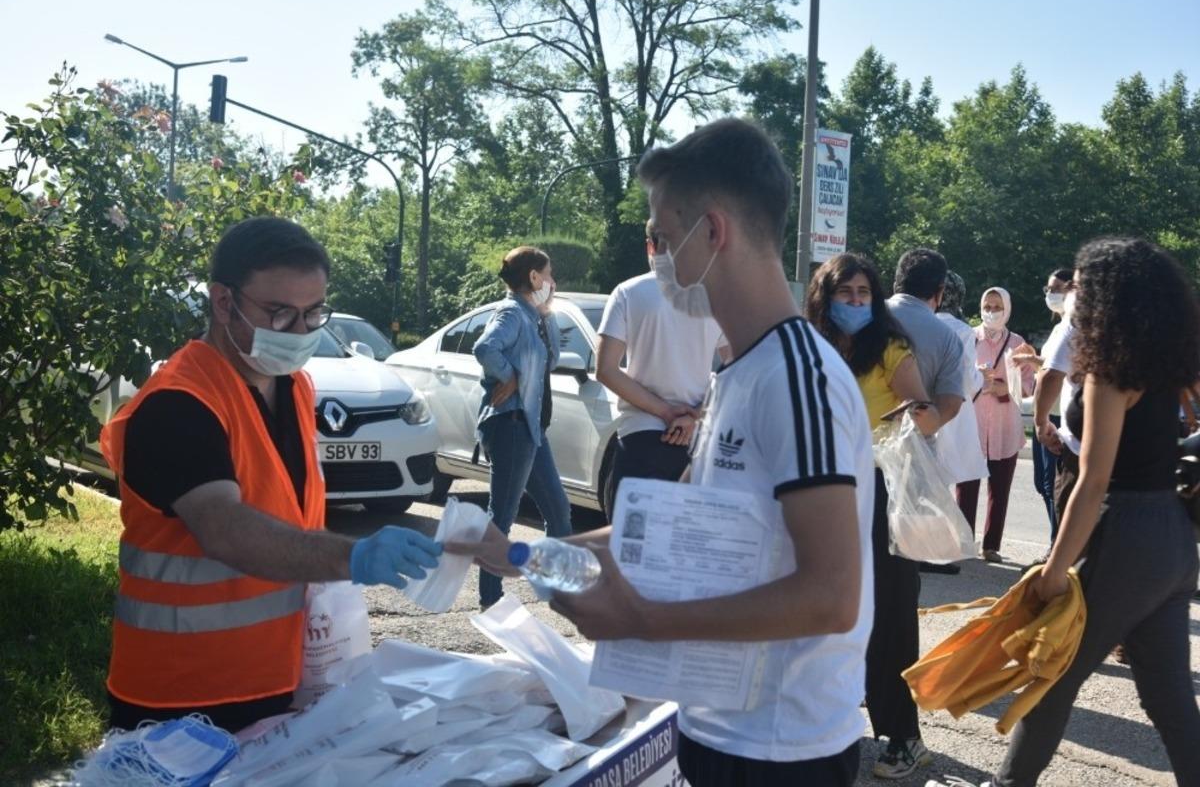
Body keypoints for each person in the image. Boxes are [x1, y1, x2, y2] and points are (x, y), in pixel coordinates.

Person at [458, 118, 875, 786]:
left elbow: (831, 596)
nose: (657, 256)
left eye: (661, 235)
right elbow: (689, 532)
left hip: (780, 750)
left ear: (713, 233)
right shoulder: (738, 369)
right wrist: (516, 552)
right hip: (719, 725)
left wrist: (644, 621)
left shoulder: (798, 379)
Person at [98, 217, 442, 732]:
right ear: (221, 302)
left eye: (314, 313)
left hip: (279, 683)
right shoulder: (178, 405)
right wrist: (353, 555)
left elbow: (287, 513)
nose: (301, 331)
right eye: (280, 313)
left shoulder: (295, 387)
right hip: (179, 700)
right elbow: (226, 529)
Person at [928, 237, 1200, 787]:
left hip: (1125, 533)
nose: (1072, 292)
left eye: (1079, 283)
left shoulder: (1110, 370)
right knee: (1170, 697)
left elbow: (1095, 479)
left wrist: (1055, 571)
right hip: (1174, 541)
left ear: (1104, 295)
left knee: (1050, 678)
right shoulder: (1170, 365)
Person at [806, 253, 939, 780]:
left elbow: (922, 412)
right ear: (827, 298)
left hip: (879, 490)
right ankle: (829, 720)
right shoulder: (812, 344)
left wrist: (914, 414)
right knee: (825, 609)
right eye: (846, 294)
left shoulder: (890, 344)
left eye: (864, 293)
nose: (857, 302)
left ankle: (904, 736)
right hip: (821, 489)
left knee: (888, 615)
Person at [595, 221, 726, 518]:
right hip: (697, 444)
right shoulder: (714, 297)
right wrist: (696, 415)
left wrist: (666, 413)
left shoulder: (628, 292)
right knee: (684, 553)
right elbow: (737, 369)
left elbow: (606, 369)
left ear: (651, 246)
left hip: (640, 438)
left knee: (628, 549)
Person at [472, 246, 573, 608]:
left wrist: (547, 314)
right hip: (511, 426)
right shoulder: (512, 312)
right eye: (548, 273)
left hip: (531, 428)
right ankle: (491, 599)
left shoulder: (533, 315)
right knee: (502, 515)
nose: (553, 281)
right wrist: (512, 375)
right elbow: (484, 349)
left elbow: (552, 360)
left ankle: (555, 588)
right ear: (533, 277)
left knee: (559, 511)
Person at [886, 249, 967, 577]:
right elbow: (950, 403)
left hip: (858, 447)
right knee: (902, 566)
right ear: (939, 292)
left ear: (896, 282)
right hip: (912, 457)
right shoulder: (947, 337)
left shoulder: (868, 319)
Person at [957, 287, 1035, 563]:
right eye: (987, 306)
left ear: (1007, 309)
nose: (991, 312)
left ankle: (991, 546)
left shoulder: (1017, 343)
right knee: (966, 487)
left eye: (997, 307)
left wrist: (1006, 387)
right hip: (972, 424)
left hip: (1004, 425)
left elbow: (1029, 385)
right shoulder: (968, 338)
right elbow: (955, 376)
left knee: (999, 488)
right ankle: (963, 541)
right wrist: (977, 378)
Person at [1015, 270, 1079, 560]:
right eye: (1048, 288)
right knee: (1046, 485)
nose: (1050, 294)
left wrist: (1040, 422)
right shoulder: (1064, 327)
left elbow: (1053, 373)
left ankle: (1059, 553)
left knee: (1062, 489)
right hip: (1061, 418)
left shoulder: (1073, 326)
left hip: (1062, 423)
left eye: (1057, 289)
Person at [934, 271, 990, 491]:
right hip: (951, 412)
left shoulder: (919, 322)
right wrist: (981, 377)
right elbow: (967, 381)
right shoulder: (963, 331)